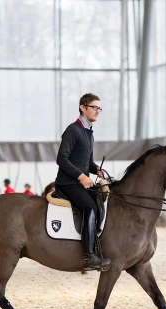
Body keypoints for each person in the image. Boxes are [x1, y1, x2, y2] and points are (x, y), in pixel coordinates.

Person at [55, 93, 109, 271]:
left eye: (99, 108)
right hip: (68, 183)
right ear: (82, 108)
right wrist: (82, 177)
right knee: (90, 207)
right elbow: (62, 159)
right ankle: (89, 256)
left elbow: (86, 162)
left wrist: (95, 170)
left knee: (100, 200)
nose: (97, 111)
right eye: (94, 107)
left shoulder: (89, 133)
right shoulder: (73, 130)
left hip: (79, 181)